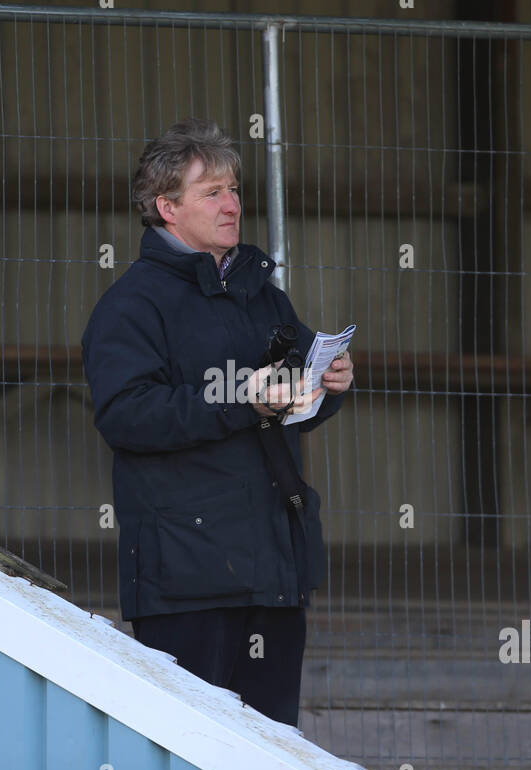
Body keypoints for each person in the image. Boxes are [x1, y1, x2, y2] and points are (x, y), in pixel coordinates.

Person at [80, 117, 353, 727]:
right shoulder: (132, 305)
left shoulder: (260, 292)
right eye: (213, 192)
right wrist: (241, 403)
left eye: (234, 190)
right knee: (187, 748)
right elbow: (126, 416)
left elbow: (292, 404)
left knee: (270, 750)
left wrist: (328, 383)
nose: (232, 205)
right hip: (188, 579)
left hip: (274, 569)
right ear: (166, 208)